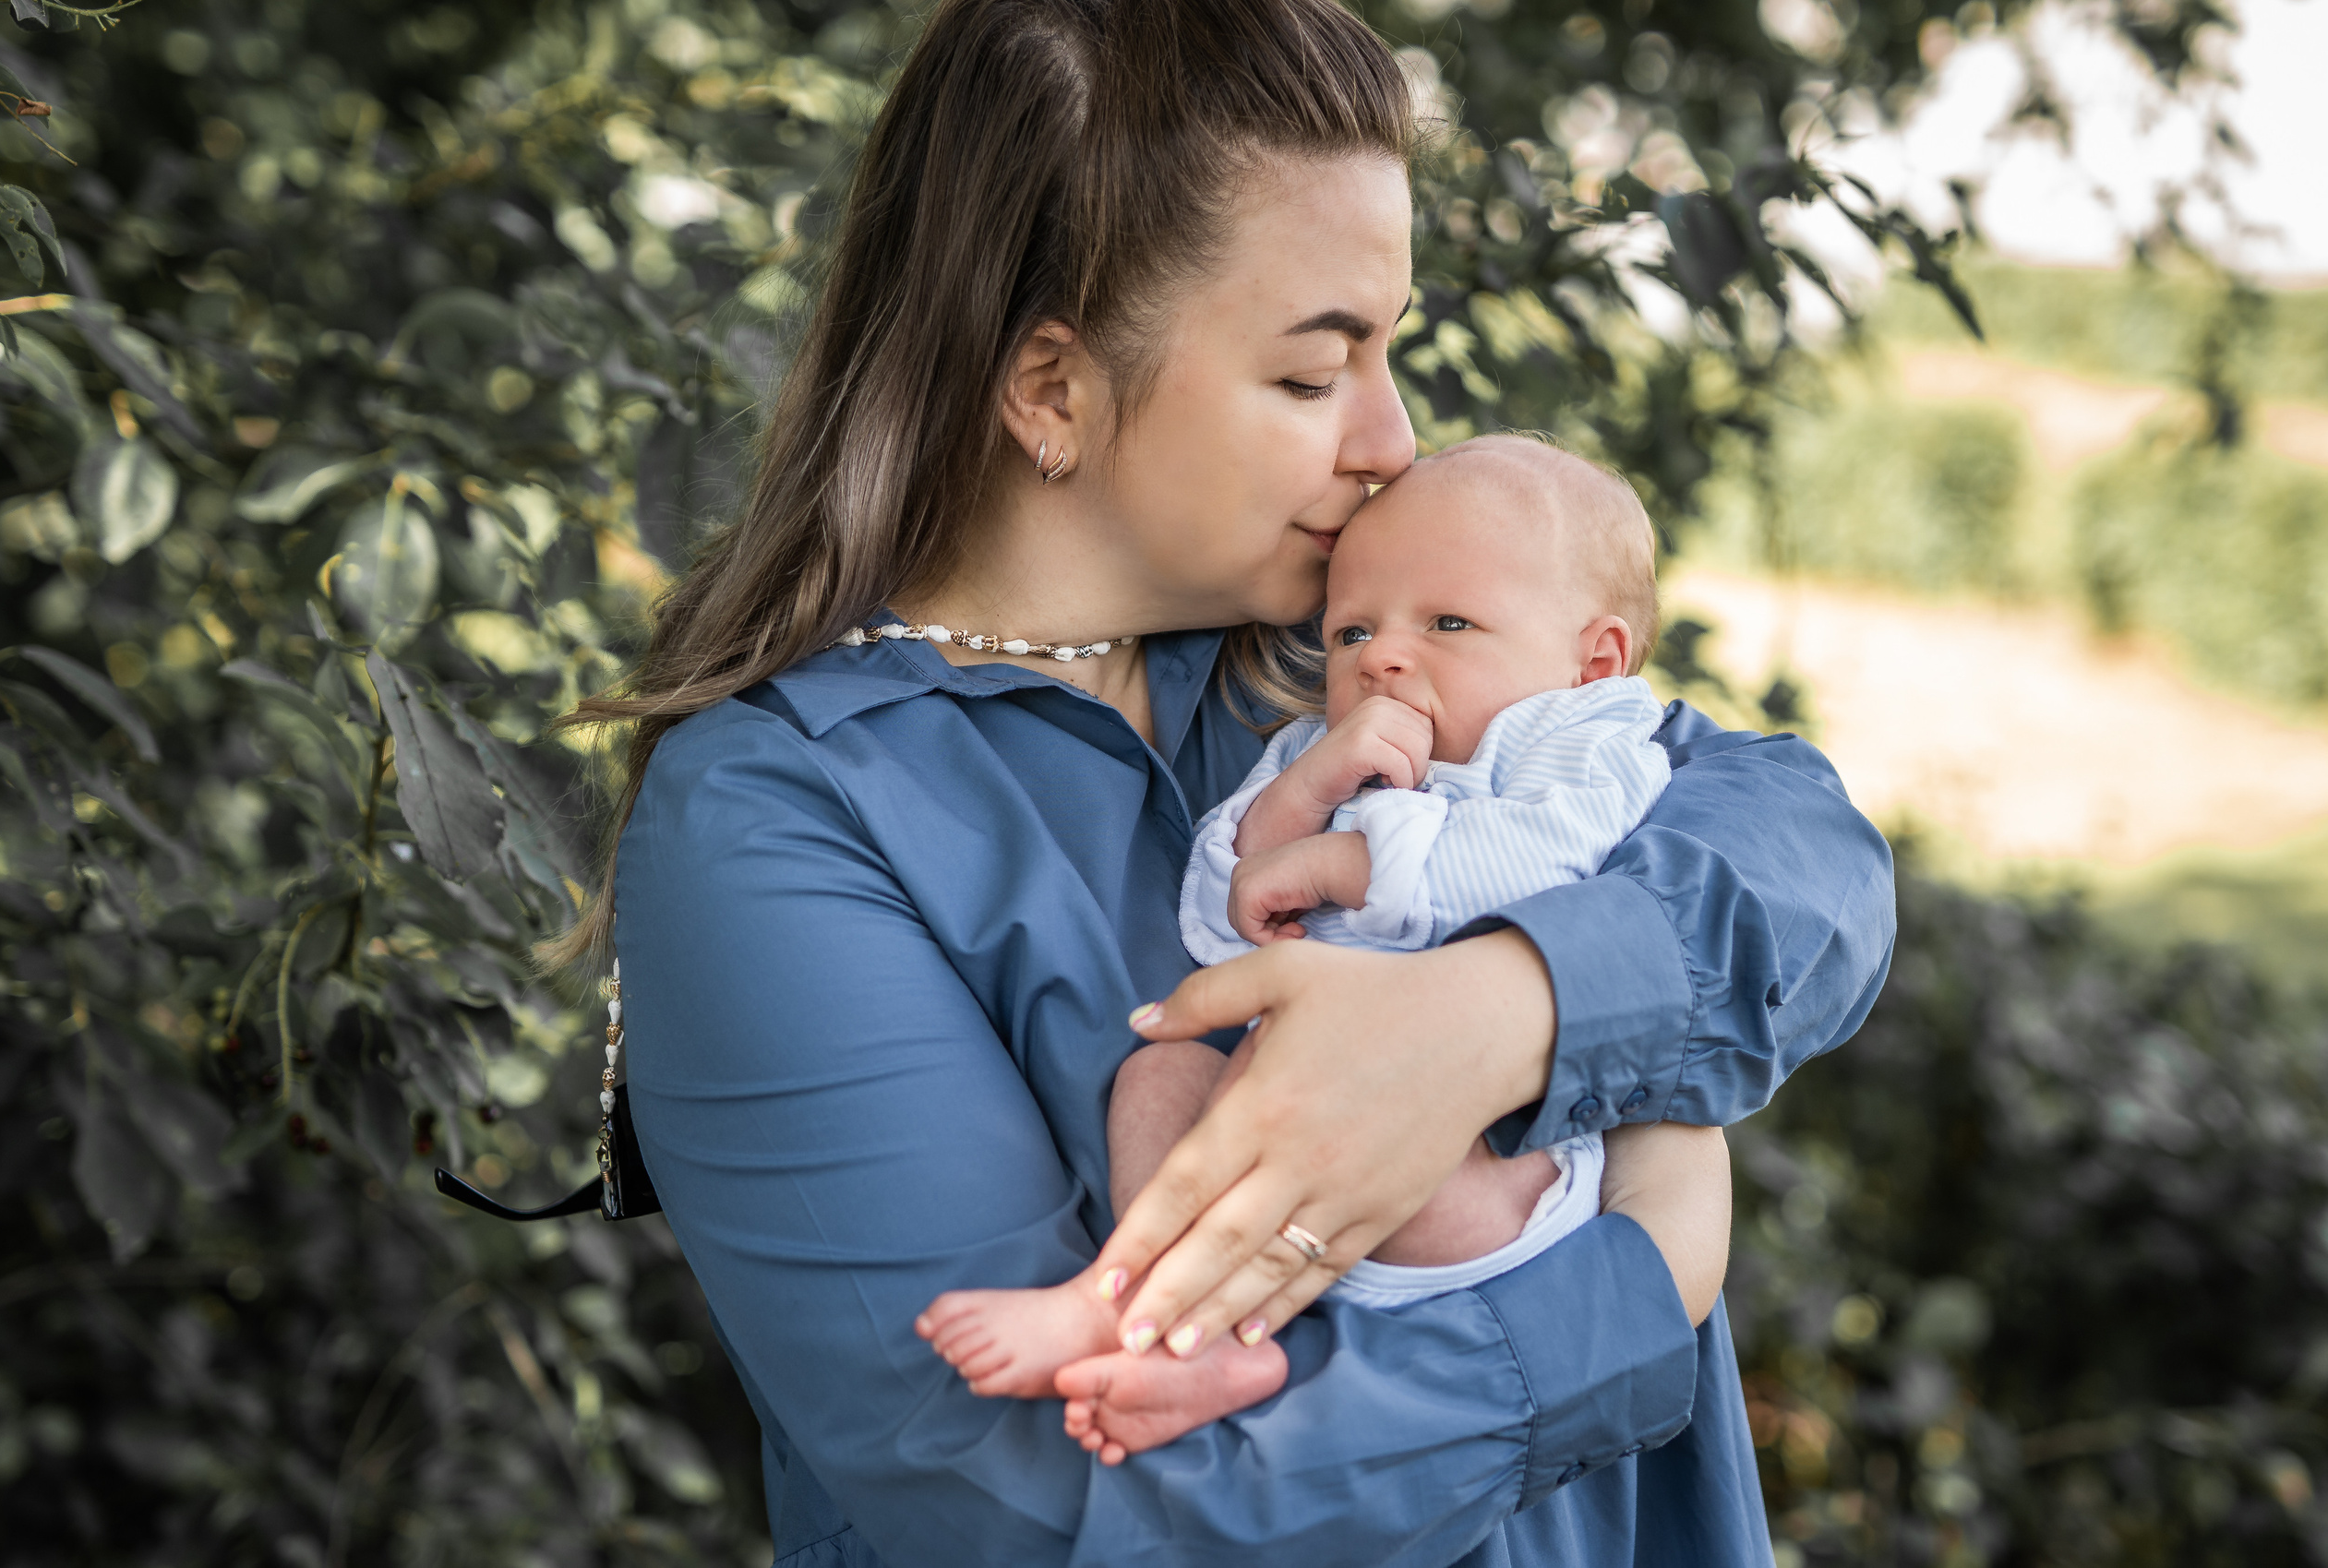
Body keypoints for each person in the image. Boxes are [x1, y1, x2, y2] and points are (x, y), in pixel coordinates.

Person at [563, 1, 1897, 1562]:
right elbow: (1063, 1509)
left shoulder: (1352, 644)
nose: (1394, 442)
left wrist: (1512, 1012)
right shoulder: (779, 823)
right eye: (1314, 373)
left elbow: (1806, 849)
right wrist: (1635, 1280)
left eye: (1388, 350)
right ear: (1051, 389)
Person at [914, 435, 1711, 1463]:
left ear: (1590, 658)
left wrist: (1346, 862)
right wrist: (1300, 793)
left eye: (1449, 623)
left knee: (1278, 1066)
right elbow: (1219, 915)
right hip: (1288, 1142)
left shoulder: (1579, 741)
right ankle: (1150, 1308)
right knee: (1159, 1072)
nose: (1382, 656)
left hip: (1479, 1169)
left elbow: (1529, 873)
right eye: (1350, 631)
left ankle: (1211, 1327)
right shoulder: (1317, 752)